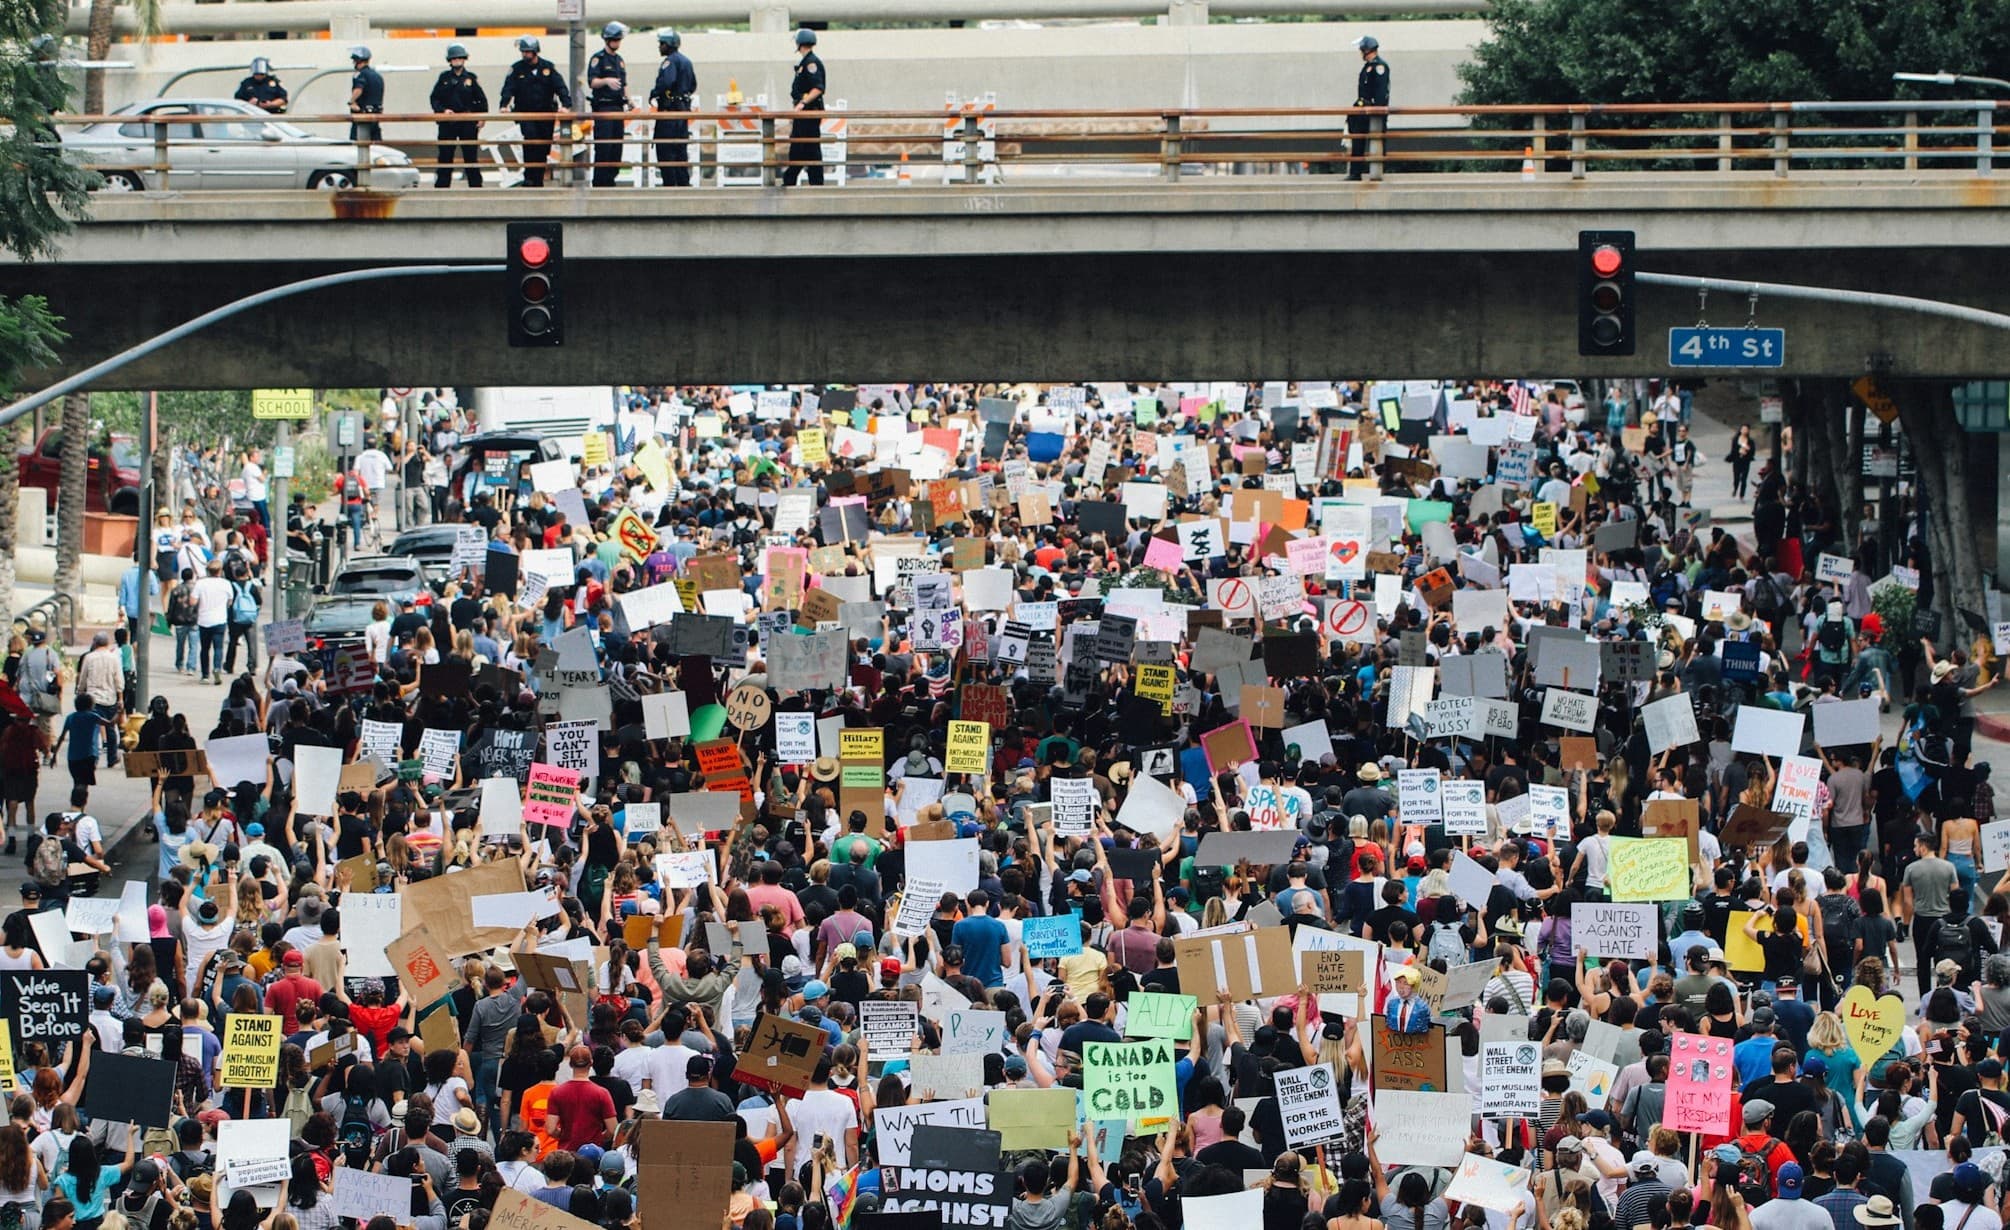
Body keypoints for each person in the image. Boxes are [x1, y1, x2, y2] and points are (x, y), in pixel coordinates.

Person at [500, 36, 571, 188]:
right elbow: (508, 88)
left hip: (545, 114)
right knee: (530, 141)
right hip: (526, 113)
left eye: (528, 52)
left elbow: (560, 87)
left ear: (535, 52)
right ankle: (529, 177)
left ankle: (538, 179)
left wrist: (566, 105)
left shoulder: (547, 68)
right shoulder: (517, 69)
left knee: (543, 146)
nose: (525, 55)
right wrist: (504, 105)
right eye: (523, 52)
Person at [430, 46, 488, 188]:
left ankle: (475, 185)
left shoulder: (471, 78)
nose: (457, 61)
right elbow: (434, 98)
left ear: (464, 59)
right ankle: (442, 185)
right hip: (448, 122)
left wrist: (482, 117)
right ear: (450, 61)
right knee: (445, 154)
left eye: (459, 58)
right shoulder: (444, 78)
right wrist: (443, 111)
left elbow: (482, 100)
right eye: (454, 58)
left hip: (467, 122)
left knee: (470, 154)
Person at [649, 30, 697, 187]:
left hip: (669, 113)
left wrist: (655, 93)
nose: (659, 47)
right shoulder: (687, 61)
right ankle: (683, 185)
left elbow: (667, 82)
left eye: (661, 44)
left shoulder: (669, 62)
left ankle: (670, 186)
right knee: (680, 150)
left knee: (665, 150)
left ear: (668, 45)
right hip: (682, 111)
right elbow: (693, 85)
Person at [781, 29, 825, 187]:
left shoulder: (811, 63)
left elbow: (818, 88)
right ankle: (795, 181)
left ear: (799, 43)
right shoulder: (805, 62)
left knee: (806, 147)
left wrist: (802, 104)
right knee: (803, 148)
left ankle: (793, 181)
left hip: (808, 114)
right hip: (804, 115)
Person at [587, 23, 629, 187]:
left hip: (618, 107)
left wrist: (629, 99)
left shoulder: (619, 61)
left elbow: (623, 83)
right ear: (608, 40)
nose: (618, 43)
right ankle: (600, 181)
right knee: (604, 146)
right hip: (604, 107)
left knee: (616, 147)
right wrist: (606, 81)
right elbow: (592, 82)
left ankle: (611, 178)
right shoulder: (599, 59)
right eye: (616, 40)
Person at [1346, 35, 1388, 181]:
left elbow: (1381, 92)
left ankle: (1376, 173)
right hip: (1363, 109)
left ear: (1367, 50)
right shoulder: (1368, 67)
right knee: (1357, 139)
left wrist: (1376, 108)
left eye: (1362, 49)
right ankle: (1355, 172)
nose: (1360, 52)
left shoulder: (1379, 66)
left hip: (1373, 110)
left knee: (1377, 141)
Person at [347, 46, 384, 143]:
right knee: (376, 144)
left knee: (359, 143)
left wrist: (351, 102)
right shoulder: (377, 75)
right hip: (376, 114)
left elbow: (358, 89)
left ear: (358, 60)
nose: (353, 63)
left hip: (362, 115)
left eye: (354, 60)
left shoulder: (360, 74)